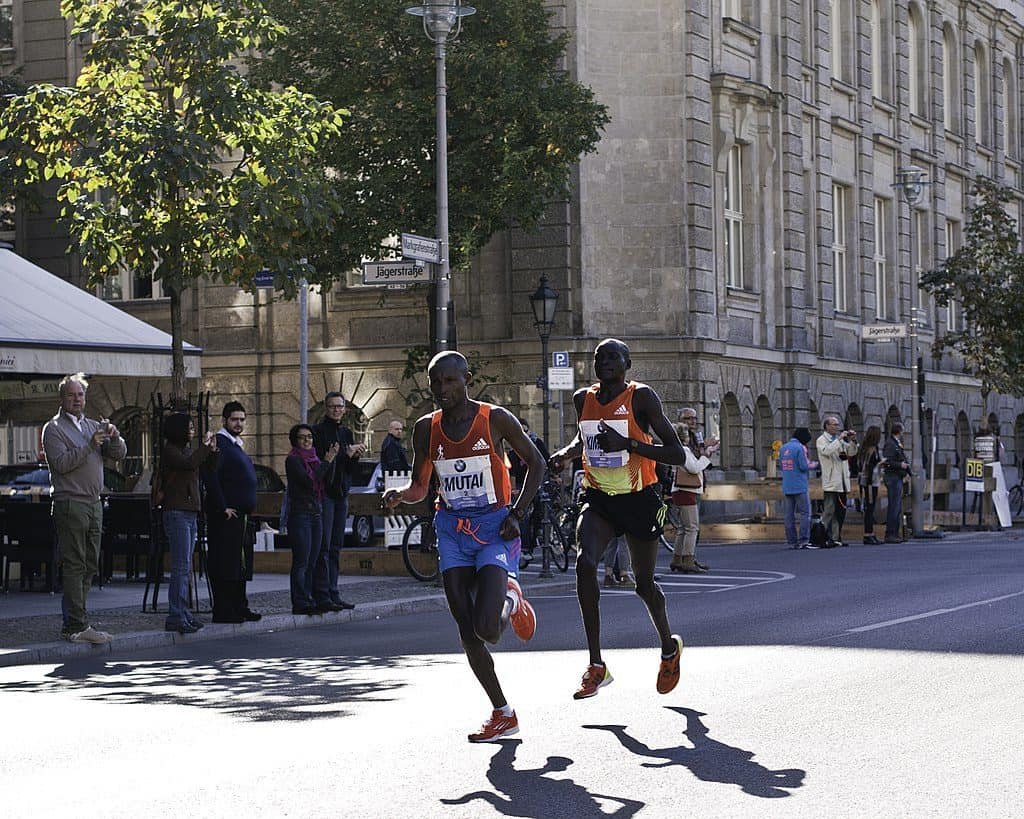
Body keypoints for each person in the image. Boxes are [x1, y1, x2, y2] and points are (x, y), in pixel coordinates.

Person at [382, 351, 545, 743]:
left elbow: (536, 464)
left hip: (494, 528)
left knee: (489, 628)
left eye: (450, 381)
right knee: (468, 631)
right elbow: (422, 486)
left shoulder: (495, 419)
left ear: (466, 379)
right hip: (451, 531)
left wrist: (516, 514)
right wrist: (400, 495)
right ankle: (502, 713)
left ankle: (513, 600)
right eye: (435, 382)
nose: (442, 389)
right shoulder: (426, 428)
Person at [548, 338, 688, 700]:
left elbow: (675, 453)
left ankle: (668, 649)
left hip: (640, 498)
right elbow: (585, 440)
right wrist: (564, 455)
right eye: (599, 358)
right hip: (598, 498)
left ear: (627, 364)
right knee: (584, 563)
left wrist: (630, 445)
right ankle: (596, 665)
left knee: (644, 585)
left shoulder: (642, 398)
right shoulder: (583, 399)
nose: (605, 362)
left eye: (613, 357)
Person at [42, 373, 126, 643]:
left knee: (90, 564)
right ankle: (75, 626)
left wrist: (114, 436)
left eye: (80, 395)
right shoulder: (53, 428)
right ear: (61, 398)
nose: (77, 399)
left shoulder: (92, 425)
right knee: (75, 564)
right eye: (71, 395)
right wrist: (90, 446)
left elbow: (118, 454)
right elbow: (61, 464)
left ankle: (78, 619)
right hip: (70, 503)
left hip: (94, 502)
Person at [158, 412, 217, 633]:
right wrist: (203, 447)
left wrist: (212, 450)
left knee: (186, 567)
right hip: (177, 512)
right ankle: (175, 614)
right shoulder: (171, 451)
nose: (192, 430)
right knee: (181, 567)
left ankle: (183, 612)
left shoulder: (186, 450)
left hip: (190, 511)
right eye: (189, 427)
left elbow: (205, 467)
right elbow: (189, 463)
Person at [204, 401, 262, 624]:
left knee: (241, 564)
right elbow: (210, 476)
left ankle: (240, 606)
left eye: (242, 419)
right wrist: (222, 506)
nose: (239, 423)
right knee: (226, 564)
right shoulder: (220, 445)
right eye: (234, 419)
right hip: (227, 517)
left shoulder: (235, 445)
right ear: (224, 420)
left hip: (242, 516)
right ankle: (224, 610)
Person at [312, 392, 364, 610]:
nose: (336, 410)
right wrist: (345, 453)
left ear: (344, 409)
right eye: (332, 406)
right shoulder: (318, 432)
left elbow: (350, 469)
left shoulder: (346, 432)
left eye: (339, 406)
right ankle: (322, 594)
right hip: (325, 494)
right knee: (323, 547)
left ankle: (333, 591)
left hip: (341, 493)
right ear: (326, 408)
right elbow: (323, 462)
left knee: (336, 546)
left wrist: (355, 455)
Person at [285, 424, 340, 615]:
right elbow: (310, 482)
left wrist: (329, 462)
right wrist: (327, 461)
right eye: (302, 437)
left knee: (313, 560)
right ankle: (300, 601)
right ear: (295, 440)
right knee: (302, 560)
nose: (307, 440)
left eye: (309, 437)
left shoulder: (316, 459)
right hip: (301, 514)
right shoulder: (293, 459)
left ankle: (309, 598)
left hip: (316, 512)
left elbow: (327, 481)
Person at [669, 417, 720, 573]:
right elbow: (693, 468)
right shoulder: (683, 450)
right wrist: (706, 456)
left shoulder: (677, 449)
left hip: (680, 491)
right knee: (692, 527)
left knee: (683, 528)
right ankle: (688, 560)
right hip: (687, 492)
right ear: (683, 436)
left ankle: (677, 559)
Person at [816, 416, 858, 547]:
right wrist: (839, 439)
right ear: (827, 426)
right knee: (829, 510)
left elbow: (850, 453)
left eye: (837, 424)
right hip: (831, 482)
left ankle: (835, 538)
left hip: (842, 482)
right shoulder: (821, 440)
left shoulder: (838, 441)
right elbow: (826, 451)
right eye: (834, 424)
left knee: (839, 511)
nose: (837, 427)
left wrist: (852, 441)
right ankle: (819, 536)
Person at [779, 428, 815, 549]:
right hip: (800, 485)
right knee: (805, 513)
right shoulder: (800, 448)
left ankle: (791, 540)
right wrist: (815, 464)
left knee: (789, 515)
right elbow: (804, 466)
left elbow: (781, 465)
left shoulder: (783, 448)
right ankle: (804, 539)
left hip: (787, 484)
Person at [882, 422, 911, 543]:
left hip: (897, 477)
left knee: (897, 506)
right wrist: (901, 465)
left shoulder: (895, 443)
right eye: (902, 431)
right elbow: (887, 461)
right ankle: (890, 533)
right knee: (894, 506)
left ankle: (895, 533)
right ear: (899, 431)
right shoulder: (890, 444)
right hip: (892, 477)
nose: (903, 433)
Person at [857, 425, 884, 545]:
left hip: (868, 481)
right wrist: (881, 463)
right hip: (870, 482)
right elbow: (870, 466)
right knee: (869, 508)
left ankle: (870, 533)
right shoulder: (871, 450)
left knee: (870, 508)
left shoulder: (865, 448)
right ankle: (868, 534)